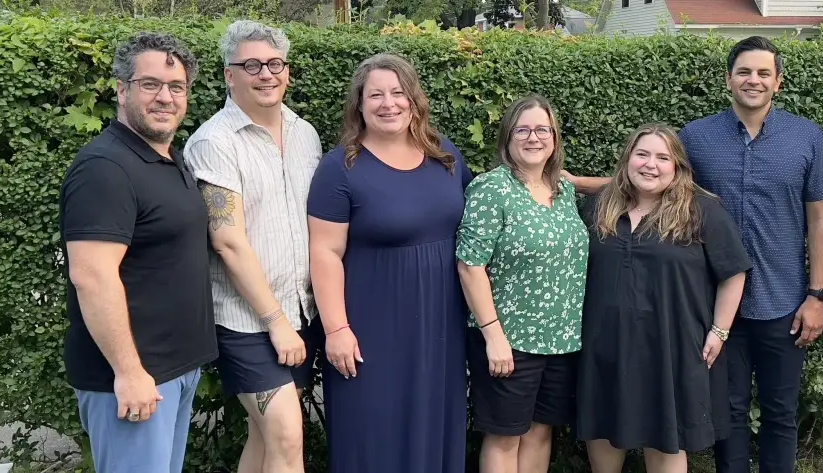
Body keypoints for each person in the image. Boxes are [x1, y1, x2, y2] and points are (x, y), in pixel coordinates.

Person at [565, 36, 823, 473]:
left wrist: (817, 294)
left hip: (781, 300)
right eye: (744, 71)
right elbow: (655, 179)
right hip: (713, 308)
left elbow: (820, 217)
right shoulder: (697, 136)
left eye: (763, 73)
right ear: (728, 79)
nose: (753, 80)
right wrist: (578, 183)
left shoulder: (805, 137)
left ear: (779, 82)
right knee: (728, 414)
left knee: (780, 412)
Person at [306, 53, 471, 473]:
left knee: (434, 424)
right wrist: (336, 330)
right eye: (375, 95)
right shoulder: (340, 168)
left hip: (440, 326)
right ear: (359, 105)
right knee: (373, 431)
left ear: (414, 100)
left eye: (398, 93)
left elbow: (479, 225)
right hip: (370, 329)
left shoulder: (445, 155)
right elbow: (324, 252)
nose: (388, 103)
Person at [58, 32, 215, 473]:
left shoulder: (167, 158)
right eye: (150, 84)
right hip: (133, 381)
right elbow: (92, 276)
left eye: (176, 86)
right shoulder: (104, 169)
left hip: (174, 372)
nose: (165, 97)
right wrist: (129, 373)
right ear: (122, 89)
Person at [183, 20, 323, 473]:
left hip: (301, 311)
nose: (266, 74)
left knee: (266, 438)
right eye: (252, 65)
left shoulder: (305, 134)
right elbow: (227, 241)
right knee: (286, 435)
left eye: (275, 64)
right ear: (229, 75)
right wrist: (275, 323)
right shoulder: (214, 142)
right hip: (247, 320)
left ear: (287, 71)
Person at [575, 124, 751, 473]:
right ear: (627, 160)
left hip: (671, 348)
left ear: (677, 166)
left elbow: (734, 272)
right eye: (642, 154)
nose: (650, 165)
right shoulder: (598, 207)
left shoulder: (701, 210)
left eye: (662, 157)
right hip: (605, 346)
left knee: (665, 437)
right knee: (603, 430)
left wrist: (719, 331)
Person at [456, 93, 590, 473]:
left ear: (554, 138)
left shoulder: (562, 189)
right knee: (504, 438)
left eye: (543, 130)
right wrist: (493, 335)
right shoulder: (491, 188)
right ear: (507, 137)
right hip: (508, 340)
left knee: (540, 432)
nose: (534, 138)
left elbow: (629, 181)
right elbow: (469, 266)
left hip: (561, 340)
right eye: (523, 130)